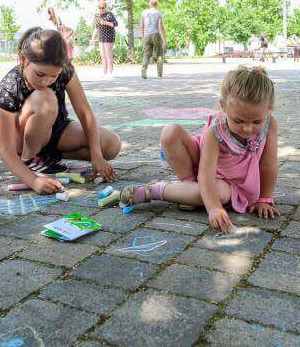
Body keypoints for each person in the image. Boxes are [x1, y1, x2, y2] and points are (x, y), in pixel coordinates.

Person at [119, 66, 279, 233]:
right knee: (170, 132)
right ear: (223, 106)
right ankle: (187, 186)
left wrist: (264, 198)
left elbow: (268, 165)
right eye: (238, 121)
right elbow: (206, 173)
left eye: (256, 122)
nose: (247, 129)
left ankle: (152, 191)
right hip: (205, 168)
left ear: (268, 111)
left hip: (230, 182)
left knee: (219, 193)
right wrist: (214, 208)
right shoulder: (216, 131)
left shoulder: (270, 123)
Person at [0, 27, 121, 194]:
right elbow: (5, 150)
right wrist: (34, 181)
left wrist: (97, 156)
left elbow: (85, 113)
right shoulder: (8, 87)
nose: (46, 81)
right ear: (23, 59)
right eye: (39, 74)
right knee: (45, 98)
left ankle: (50, 157)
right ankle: (29, 160)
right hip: (24, 140)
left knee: (111, 145)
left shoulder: (65, 69)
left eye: (54, 76)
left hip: (55, 130)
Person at [89, 0, 118, 79]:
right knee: (103, 55)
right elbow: (96, 28)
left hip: (109, 36)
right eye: (100, 8)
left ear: (105, 7)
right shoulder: (98, 16)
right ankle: (104, 73)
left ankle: (110, 73)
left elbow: (115, 24)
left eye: (103, 8)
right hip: (101, 37)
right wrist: (92, 38)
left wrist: (105, 23)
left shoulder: (110, 14)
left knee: (108, 54)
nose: (101, 9)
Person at [141, 0, 166, 79]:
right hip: (156, 35)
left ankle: (144, 67)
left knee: (147, 54)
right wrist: (164, 39)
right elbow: (160, 27)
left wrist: (143, 37)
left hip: (147, 35)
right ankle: (159, 74)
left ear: (149, 4)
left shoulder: (144, 13)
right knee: (159, 53)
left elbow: (142, 26)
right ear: (157, 5)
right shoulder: (158, 13)